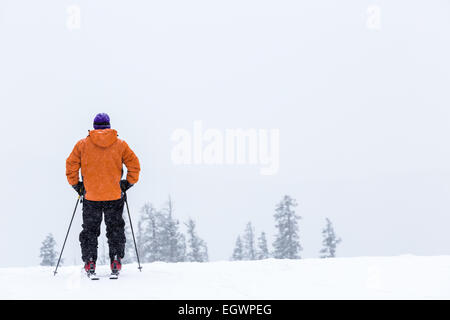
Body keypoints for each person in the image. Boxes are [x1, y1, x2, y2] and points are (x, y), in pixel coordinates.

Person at [66, 113, 140, 277]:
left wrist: (77, 185)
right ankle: (115, 260)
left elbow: (70, 165)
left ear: (94, 127)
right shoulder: (120, 144)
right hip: (114, 196)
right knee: (115, 229)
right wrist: (127, 184)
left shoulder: (82, 144)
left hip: (91, 197)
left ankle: (90, 262)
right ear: (109, 126)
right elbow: (134, 165)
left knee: (90, 231)